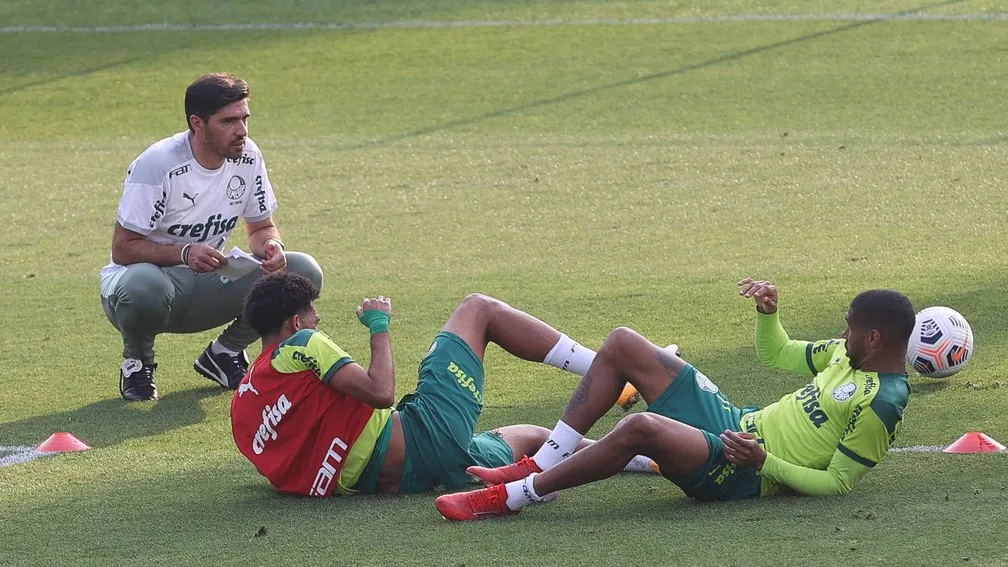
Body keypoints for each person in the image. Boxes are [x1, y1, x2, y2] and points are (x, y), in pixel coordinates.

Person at [435, 278, 915, 520]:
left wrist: (764, 461)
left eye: (849, 326)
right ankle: (542, 462)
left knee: (641, 428)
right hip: (736, 422)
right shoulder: (846, 357)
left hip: (741, 470)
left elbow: (837, 483)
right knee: (623, 342)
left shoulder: (883, 401)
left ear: (872, 337)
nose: (842, 332)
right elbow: (779, 353)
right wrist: (768, 314)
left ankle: (513, 498)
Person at [230, 272, 657, 497]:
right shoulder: (302, 344)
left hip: (405, 480)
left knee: (535, 437)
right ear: (295, 322)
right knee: (478, 309)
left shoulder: (244, 402)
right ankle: (607, 371)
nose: (317, 322)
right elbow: (381, 393)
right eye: (313, 316)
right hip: (422, 438)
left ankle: (647, 458)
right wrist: (378, 326)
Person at [99, 73, 323, 401]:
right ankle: (137, 364)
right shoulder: (158, 164)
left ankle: (225, 353)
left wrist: (272, 245)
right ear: (198, 124)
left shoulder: (248, 156)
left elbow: (261, 228)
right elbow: (123, 248)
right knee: (144, 285)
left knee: (301, 271)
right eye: (229, 121)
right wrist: (185, 252)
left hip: (211, 282)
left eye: (244, 119)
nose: (242, 131)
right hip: (149, 288)